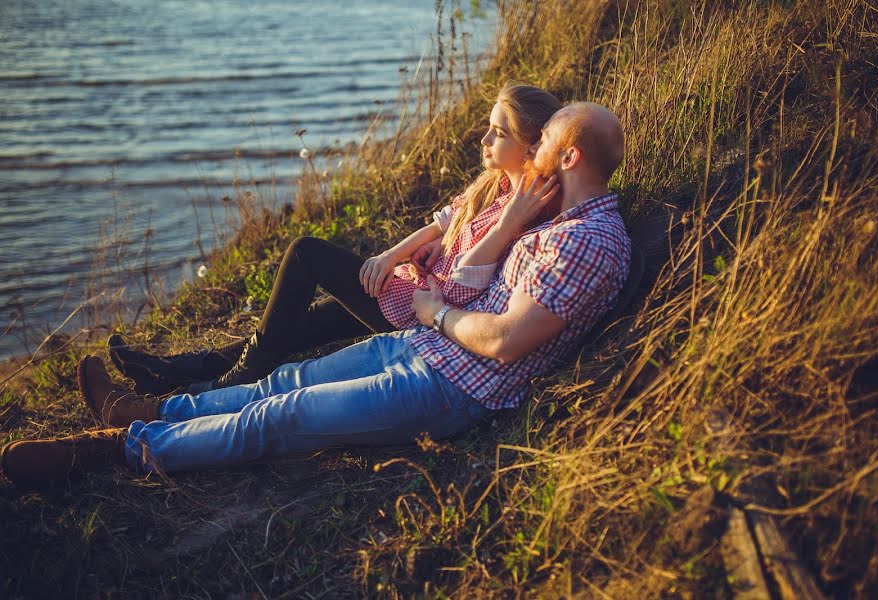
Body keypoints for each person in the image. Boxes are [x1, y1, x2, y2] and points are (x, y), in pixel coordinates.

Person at [0, 103, 630, 489]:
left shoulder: (585, 240)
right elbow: (475, 266)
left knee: (282, 418)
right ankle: (154, 408)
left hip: (450, 388)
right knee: (285, 380)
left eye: (545, 137)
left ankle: (120, 448)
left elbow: (505, 341)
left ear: (568, 154)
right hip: (422, 345)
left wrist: (436, 312)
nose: (537, 146)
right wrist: (493, 237)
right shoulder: (549, 213)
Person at [107, 84, 563, 395]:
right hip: (406, 290)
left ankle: (235, 381)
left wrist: (501, 229)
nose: (483, 139)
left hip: (419, 317)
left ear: (529, 146)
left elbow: (467, 287)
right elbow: (445, 221)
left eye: (498, 133)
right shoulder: (497, 183)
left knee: (307, 252)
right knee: (294, 327)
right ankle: (173, 370)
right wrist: (389, 255)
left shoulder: (525, 206)